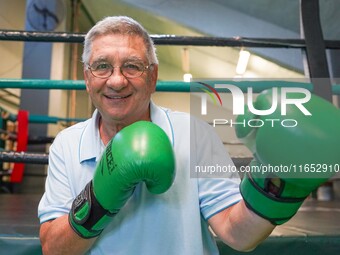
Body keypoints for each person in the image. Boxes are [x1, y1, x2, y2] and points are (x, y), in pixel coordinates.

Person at [38, 16, 340, 255]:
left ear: (153, 76)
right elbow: (53, 248)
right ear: (87, 77)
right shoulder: (67, 144)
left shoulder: (195, 134)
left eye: (132, 66)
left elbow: (238, 234)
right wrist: (100, 197)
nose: (116, 80)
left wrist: (279, 183)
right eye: (102, 66)